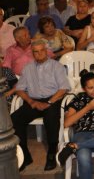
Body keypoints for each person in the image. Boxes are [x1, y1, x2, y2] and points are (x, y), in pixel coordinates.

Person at [12, 39, 71, 171]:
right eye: (35, 52)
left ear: (46, 51)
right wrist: (31, 101)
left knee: (51, 118)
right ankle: (25, 155)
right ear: (32, 53)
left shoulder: (56, 66)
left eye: (41, 51)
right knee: (15, 119)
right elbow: (20, 89)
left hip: (52, 99)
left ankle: (51, 152)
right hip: (34, 100)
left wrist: (49, 102)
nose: (39, 54)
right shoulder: (28, 68)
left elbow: (63, 88)